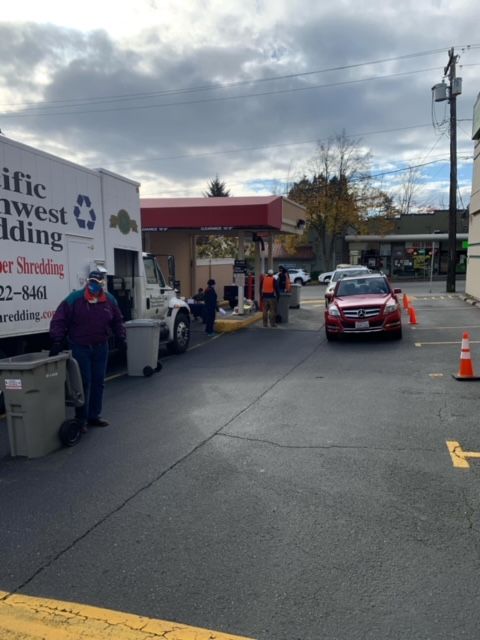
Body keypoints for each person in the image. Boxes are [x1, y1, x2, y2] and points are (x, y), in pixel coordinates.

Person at [49, 269, 126, 432]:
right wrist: (57, 340)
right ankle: (81, 418)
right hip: (80, 347)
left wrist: (121, 338)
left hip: (101, 347)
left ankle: (94, 416)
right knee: (83, 383)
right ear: (87, 282)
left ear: (102, 283)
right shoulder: (75, 299)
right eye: (92, 281)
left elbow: (118, 320)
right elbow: (59, 319)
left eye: (97, 282)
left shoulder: (109, 300)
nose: (94, 285)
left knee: (98, 382)